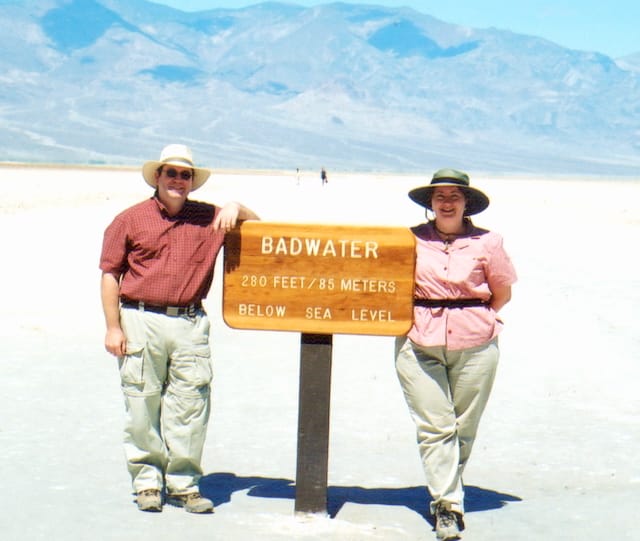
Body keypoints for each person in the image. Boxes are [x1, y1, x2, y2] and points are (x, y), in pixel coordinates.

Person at [99, 144, 259, 513]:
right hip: (139, 320)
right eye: (171, 173)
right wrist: (113, 327)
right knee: (142, 403)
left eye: (185, 175)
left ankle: (185, 484)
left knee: (190, 405)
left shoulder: (211, 218)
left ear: (192, 181)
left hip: (189, 322)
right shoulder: (130, 219)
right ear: (157, 177)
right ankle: (147, 483)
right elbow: (110, 273)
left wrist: (237, 207)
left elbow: (261, 229)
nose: (178, 180)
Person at [395, 168, 516, 540]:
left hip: (475, 344)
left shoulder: (488, 242)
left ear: (466, 204)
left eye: (454, 196)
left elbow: (502, 292)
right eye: (440, 197)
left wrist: (470, 315)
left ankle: (447, 487)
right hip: (419, 340)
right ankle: (447, 505)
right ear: (430, 204)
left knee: (463, 427)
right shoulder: (409, 240)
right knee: (436, 426)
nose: (447, 203)